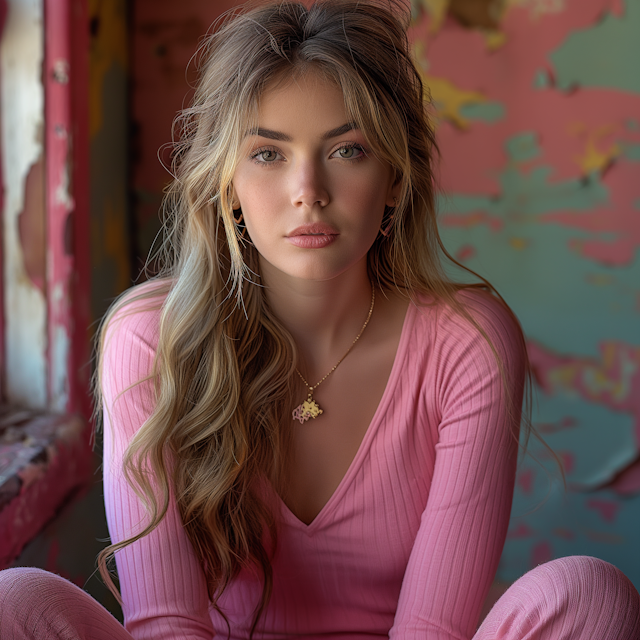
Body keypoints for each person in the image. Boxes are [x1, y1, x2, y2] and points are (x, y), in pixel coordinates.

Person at [1, 1, 639, 639]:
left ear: (395, 176)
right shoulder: (148, 339)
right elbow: (165, 625)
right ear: (226, 182)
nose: (309, 189)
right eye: (269, 155)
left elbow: (432, 631)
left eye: (348, 150)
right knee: (16, 602)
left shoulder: (466, 341)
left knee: (586, 595)